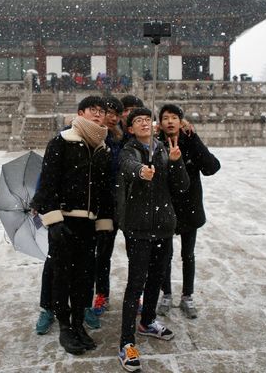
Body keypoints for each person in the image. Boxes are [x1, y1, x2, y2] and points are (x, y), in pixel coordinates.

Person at [31, 96, 114, 355]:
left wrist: (103, 225)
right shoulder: (62, 141)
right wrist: (54, 223)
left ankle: (79, 324)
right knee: (62, 277)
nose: (98, 115)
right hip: (64, 222)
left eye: (102, 111)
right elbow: (47, 184)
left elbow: (104, 192)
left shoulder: (103, 148)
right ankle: (65, 326)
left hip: (88, 225)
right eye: (93, 110)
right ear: (80, 113)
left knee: (84, 278)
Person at [116, 107, 189, 372]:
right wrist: (140, 172)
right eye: (138, 121)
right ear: (131, 129)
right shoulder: (129, 150)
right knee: (135, 283)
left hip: (164, 226)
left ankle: (147, 321)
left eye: (148, 120)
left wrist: (176, 161)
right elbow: (127, 167)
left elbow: (181, 186)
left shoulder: (163, 148)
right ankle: (126, 342)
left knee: (157, 278)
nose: (144, 123)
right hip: (139, 228)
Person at [155, 104, 221, 319]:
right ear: (160, 122)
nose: (170, 122)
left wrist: (193, 140)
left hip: (189, 206)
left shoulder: (190, 140)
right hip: (165, 206)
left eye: (174, 117)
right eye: (165, 118)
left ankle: (187, 295)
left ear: (181, 121)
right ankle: (166, 294)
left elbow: (212, 167)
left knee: (188, 254)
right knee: (165, 254)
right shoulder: (156, 143)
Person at [87, 96, 125, 326]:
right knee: (99, 253)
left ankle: (135, 296)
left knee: (110, 252)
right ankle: (100, 294)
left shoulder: (123, 139)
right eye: (108, 112)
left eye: (116, 114)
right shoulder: (90, 136)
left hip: (119, 205)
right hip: (96, 205)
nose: (111, 117)